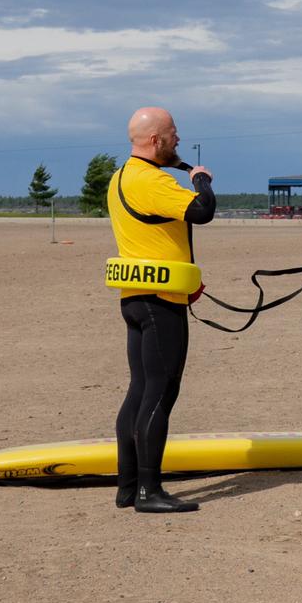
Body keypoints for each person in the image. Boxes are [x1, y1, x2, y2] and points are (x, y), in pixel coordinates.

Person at [108, 106, 215, 515]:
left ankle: (128, 486)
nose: (178, 141)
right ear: (155, 141)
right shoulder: (151, 181)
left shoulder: (120, 178)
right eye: (173, 135)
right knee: (160, 392)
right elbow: (202, 211)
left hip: (135, 299)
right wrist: (201, 180)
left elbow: (154, 237)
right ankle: (149, 491)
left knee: (139, 391)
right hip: (160, 304)